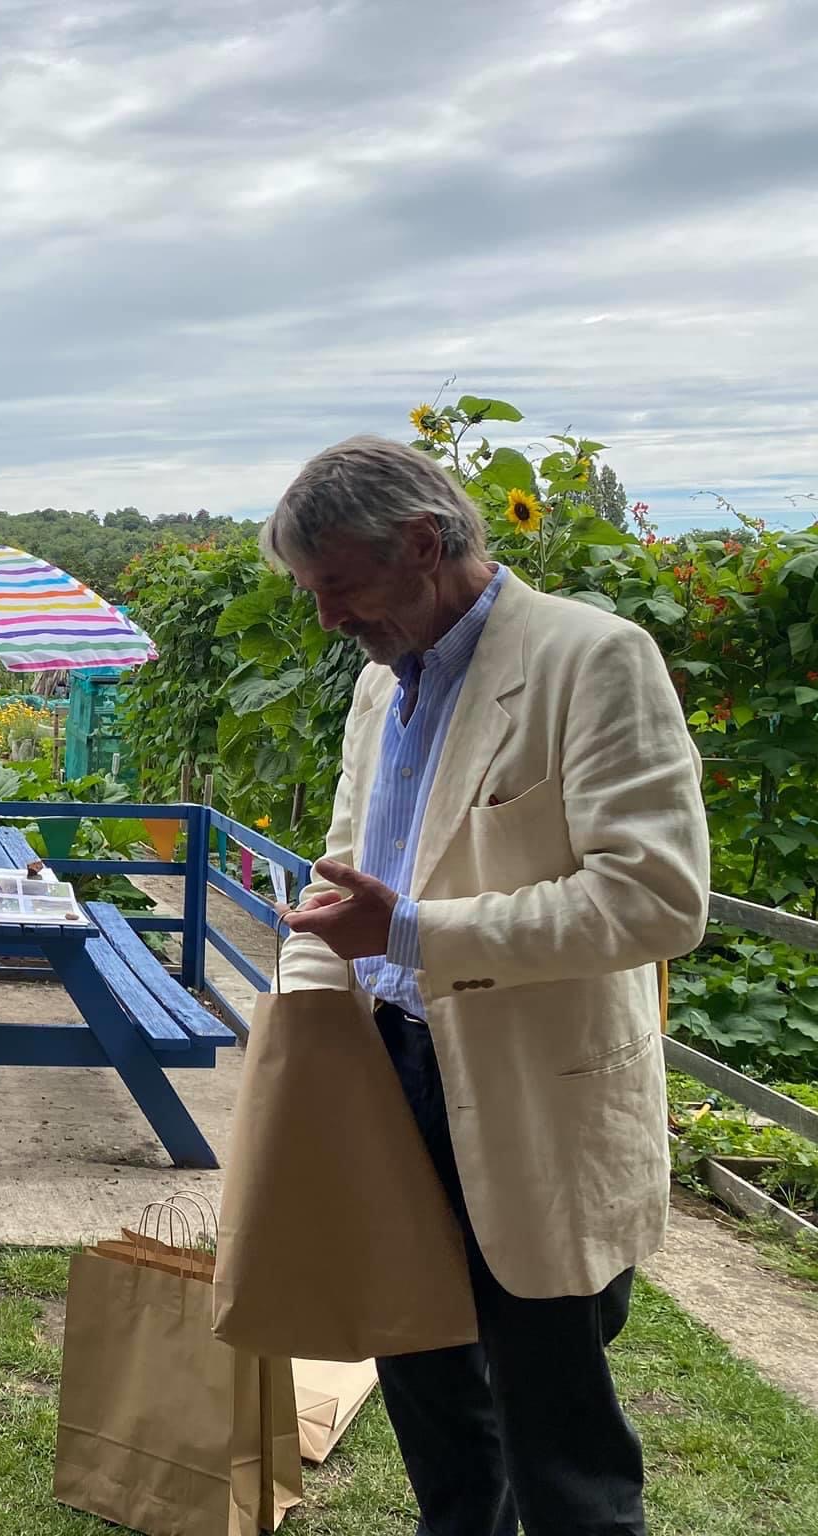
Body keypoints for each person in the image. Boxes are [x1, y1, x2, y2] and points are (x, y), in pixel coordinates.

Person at [265, 437, 709, 1536]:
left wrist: (411, 932)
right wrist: (302, 1025)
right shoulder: (379, 685)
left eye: (338, 585)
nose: (326, 617)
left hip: (532, 1104)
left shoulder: (593, 660)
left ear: (423, 543)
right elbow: (343, 869)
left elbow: (656, 900)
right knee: (426, 1389)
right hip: (386, 1075)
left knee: (558, 1436)